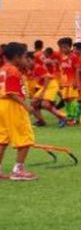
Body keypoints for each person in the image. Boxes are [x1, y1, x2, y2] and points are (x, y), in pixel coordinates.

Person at [0, 42, 37, 181]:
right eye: (24, 56)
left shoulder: (3, 68)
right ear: (16, 57)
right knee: (25, 137)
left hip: (1, 106)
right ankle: (18, 170)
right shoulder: (13, 70)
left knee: (2, 140)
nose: (25, 59)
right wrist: (26, 106)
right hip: (12, 106)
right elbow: (11, 92)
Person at [31, 48, 67, 127]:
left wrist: (43, 92)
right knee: (33, 103)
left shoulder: (38, 66)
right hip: (46, 84)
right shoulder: (33, 66)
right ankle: (41, 121)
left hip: (51, 84)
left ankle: (63, 117)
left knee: (45, 104)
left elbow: (47, 77)